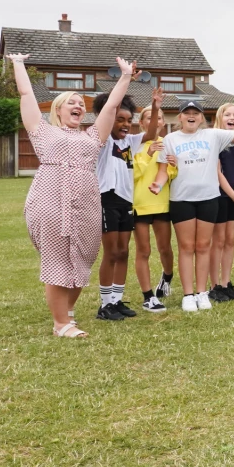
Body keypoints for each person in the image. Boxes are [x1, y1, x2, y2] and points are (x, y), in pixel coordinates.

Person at [12, 53, 136, 338]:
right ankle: (60, 324)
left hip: (87, 204)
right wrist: (18, 64)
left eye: (82, 103)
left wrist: (126, 76)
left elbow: (112, 106)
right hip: (50, 201)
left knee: (83, 258)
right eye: (72, 102)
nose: (79, 105)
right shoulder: (42, 131)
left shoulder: (93, 137)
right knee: (56, 259)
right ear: (58, 110)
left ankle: (67, 315)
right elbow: (25, 93)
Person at [151, 101, 234, 312]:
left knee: (208, 245)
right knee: (189, 247)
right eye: (186, 113)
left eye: (195, 113)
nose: (191, 116)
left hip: (209, 198)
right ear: (179, 117)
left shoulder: (213, 136)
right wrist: (158, 184)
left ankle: (206, 291)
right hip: (185, 199)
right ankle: (192, 294)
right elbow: (163, 170)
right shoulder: (172, 139)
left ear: (201, 117)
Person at [93, 86, 161, 321]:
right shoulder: (99, 141)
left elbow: (151, 134)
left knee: (123, 252)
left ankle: (116, 300)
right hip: (106, 199)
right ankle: (104, 305)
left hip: (125, 200)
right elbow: (106, 115)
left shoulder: (130, 142)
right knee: (110, 253)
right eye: (119, 119)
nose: (125, 124)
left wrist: (155, 106)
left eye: (128, 120)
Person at [131, 105, 175, 313]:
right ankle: (148, 296)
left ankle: (167, 277)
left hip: (162, 203)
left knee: (165, 248)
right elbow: (131, 174)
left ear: (162, 122)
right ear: (141, 123)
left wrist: (175, 165)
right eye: (149, 118)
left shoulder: (167, 143)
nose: (154, 121)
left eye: (158, 118)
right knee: (144, 250)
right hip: (139, 204)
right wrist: (147, 153)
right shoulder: (134, 144)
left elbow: (170, 174)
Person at [210, 103, 234, 302]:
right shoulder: (216, 140)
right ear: (220, 117)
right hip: (219, 196)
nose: (232, 118)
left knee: (230, 241)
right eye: (227, 114)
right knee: (217, 241)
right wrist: (233, 195)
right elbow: (217, 173)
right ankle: (214, 285)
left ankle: (226, 283)